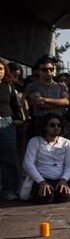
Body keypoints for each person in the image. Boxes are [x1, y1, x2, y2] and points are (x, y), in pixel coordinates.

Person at [23, 114, 70, 204]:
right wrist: (41, 181)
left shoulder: (66, 143)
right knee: (46, 198)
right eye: (52, 125)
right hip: (42, 179)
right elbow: (27, 163)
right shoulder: (35, 141)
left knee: (63, 197)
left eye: (59, 125)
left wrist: (64, 180)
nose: (56, 127)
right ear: (45, 127)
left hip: (60, 180)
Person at [23, 55, 69, 142]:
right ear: (38, 71)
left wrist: (45, 99)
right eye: (45, 69)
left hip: (60, 121)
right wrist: (58, 103)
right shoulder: (32, 86)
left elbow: (66, 101)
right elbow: (39, 104)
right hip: (41, 122)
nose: (48, 71)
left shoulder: (61, 86)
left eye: (51, 69)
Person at [0, 59, 24, 200]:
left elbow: (15, 106)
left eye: (1, 69)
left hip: (6, 123)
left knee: (9, 157)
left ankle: (10, 189)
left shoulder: (9, 87)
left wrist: (19, 119)